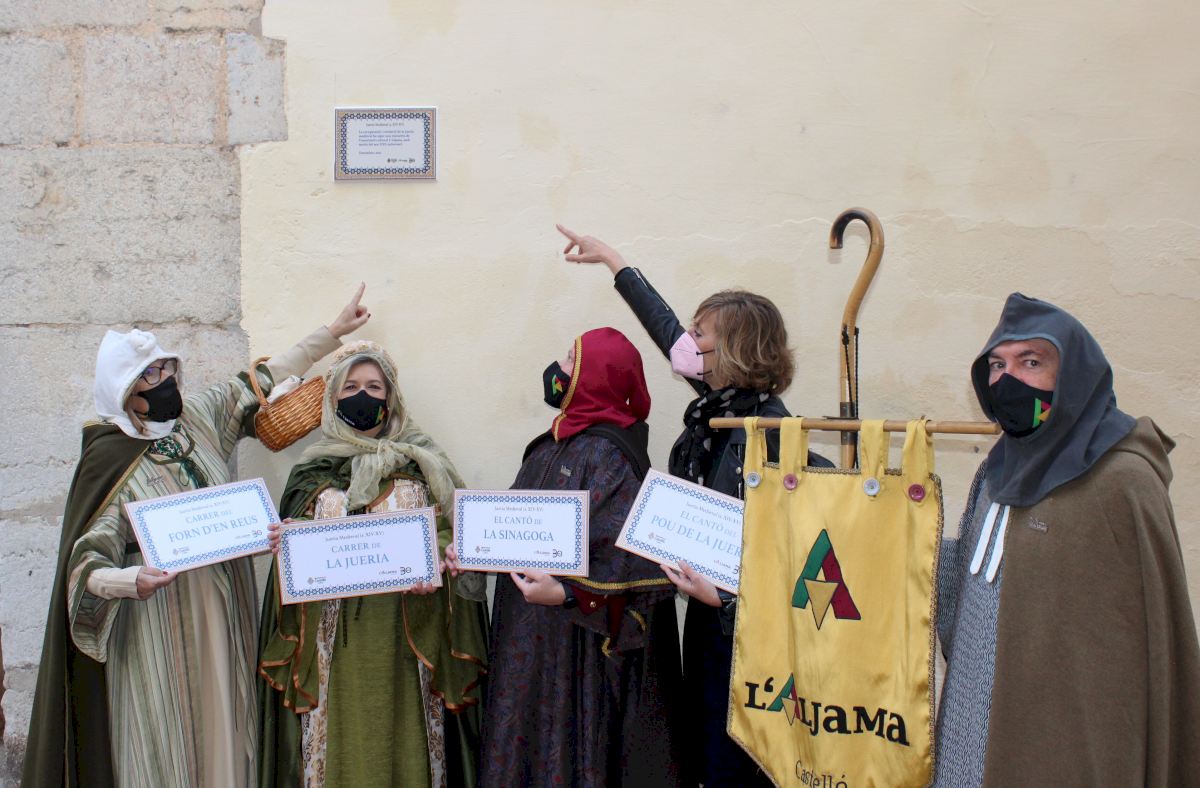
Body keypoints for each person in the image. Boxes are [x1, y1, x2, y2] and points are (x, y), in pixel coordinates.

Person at [23, 286, 371, 788]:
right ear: (125, 391)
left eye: (167, 368)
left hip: (224, 609)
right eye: (150, 375)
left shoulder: (198, 418)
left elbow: (260, 380)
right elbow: (86, 563)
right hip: (156, 626)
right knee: (165, 743)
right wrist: (130, 580)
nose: (164, 381)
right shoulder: (108, 458)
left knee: (227, 728)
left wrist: (332, 332)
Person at [557, 226, 832, 787]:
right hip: (708, 622)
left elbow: (797, 557)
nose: (685, 341)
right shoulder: (717, 413)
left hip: (753, 636)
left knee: (745, 763)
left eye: (699, 333)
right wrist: (615, 262)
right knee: (707, 751)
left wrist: (728, 598)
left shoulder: (770, 433)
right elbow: (665, 332)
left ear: (733, 349)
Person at [934, 293, 1200, 786]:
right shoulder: (995, 471)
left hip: (1065, 747)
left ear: (1074, 375)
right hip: (969, 733)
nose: (1008, 380)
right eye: (998, 365)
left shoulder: (1121, 481)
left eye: (1031, 362)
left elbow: (1146, 646)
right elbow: (974, 587)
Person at [451, 327, 681, 787]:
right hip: (525, 636)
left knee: (566, 750)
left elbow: (631, 563)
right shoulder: (547, 446)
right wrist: (473, 550)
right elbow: (515, 528)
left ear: (598, 376)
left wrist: (568, 594)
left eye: (572, 361)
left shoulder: (612, 454)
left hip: (576, 646)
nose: (559, 369)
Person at [258, 340, 488, 788]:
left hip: (408, 636)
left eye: (374, 387)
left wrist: (438, 562)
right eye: (350, 387)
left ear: (391, 396)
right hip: (333, 643)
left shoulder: (425, 463)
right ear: (332, 397)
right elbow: (301, 549)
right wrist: (290, 540)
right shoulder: (312, 471)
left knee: (403, 742)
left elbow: (452, 531)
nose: (362, 396)